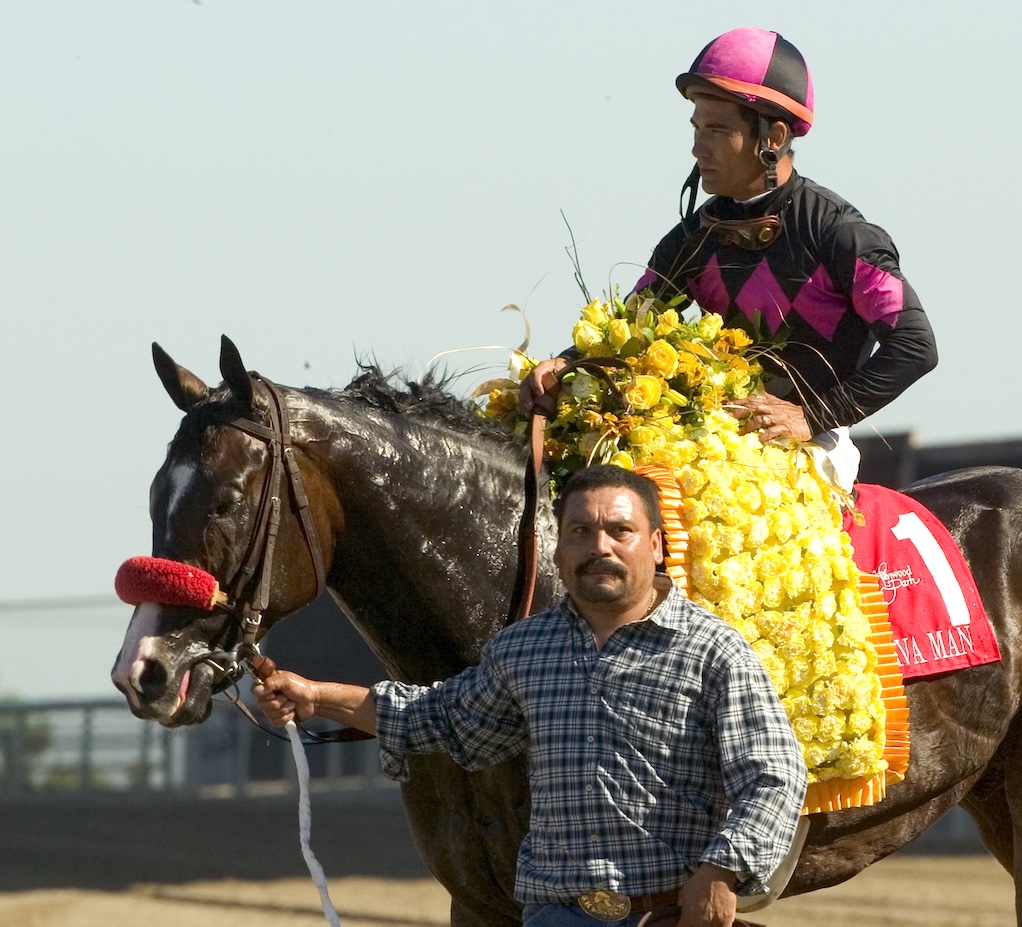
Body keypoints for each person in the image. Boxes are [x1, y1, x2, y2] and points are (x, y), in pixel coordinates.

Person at [254, 465, 806, 927]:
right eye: (581, 532)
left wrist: (721, 872)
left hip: (667, 914)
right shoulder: (522, 650)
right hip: (553, 916)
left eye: (621, 531)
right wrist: (316, 695)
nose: (600, 547)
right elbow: (440, 719)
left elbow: (775, 774)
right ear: (557, 547)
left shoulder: (715, 651)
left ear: (657, 545)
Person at [521, 27, 937, 491]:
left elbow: (915, 347)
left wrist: (810, 416)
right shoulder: (689, 243)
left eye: (717, 130)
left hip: (812, 451)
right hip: (716, 450)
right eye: (697, 128)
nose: (698, 147)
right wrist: (565, 365)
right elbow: (630, 327)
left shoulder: (841, 235)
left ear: (773, 136)